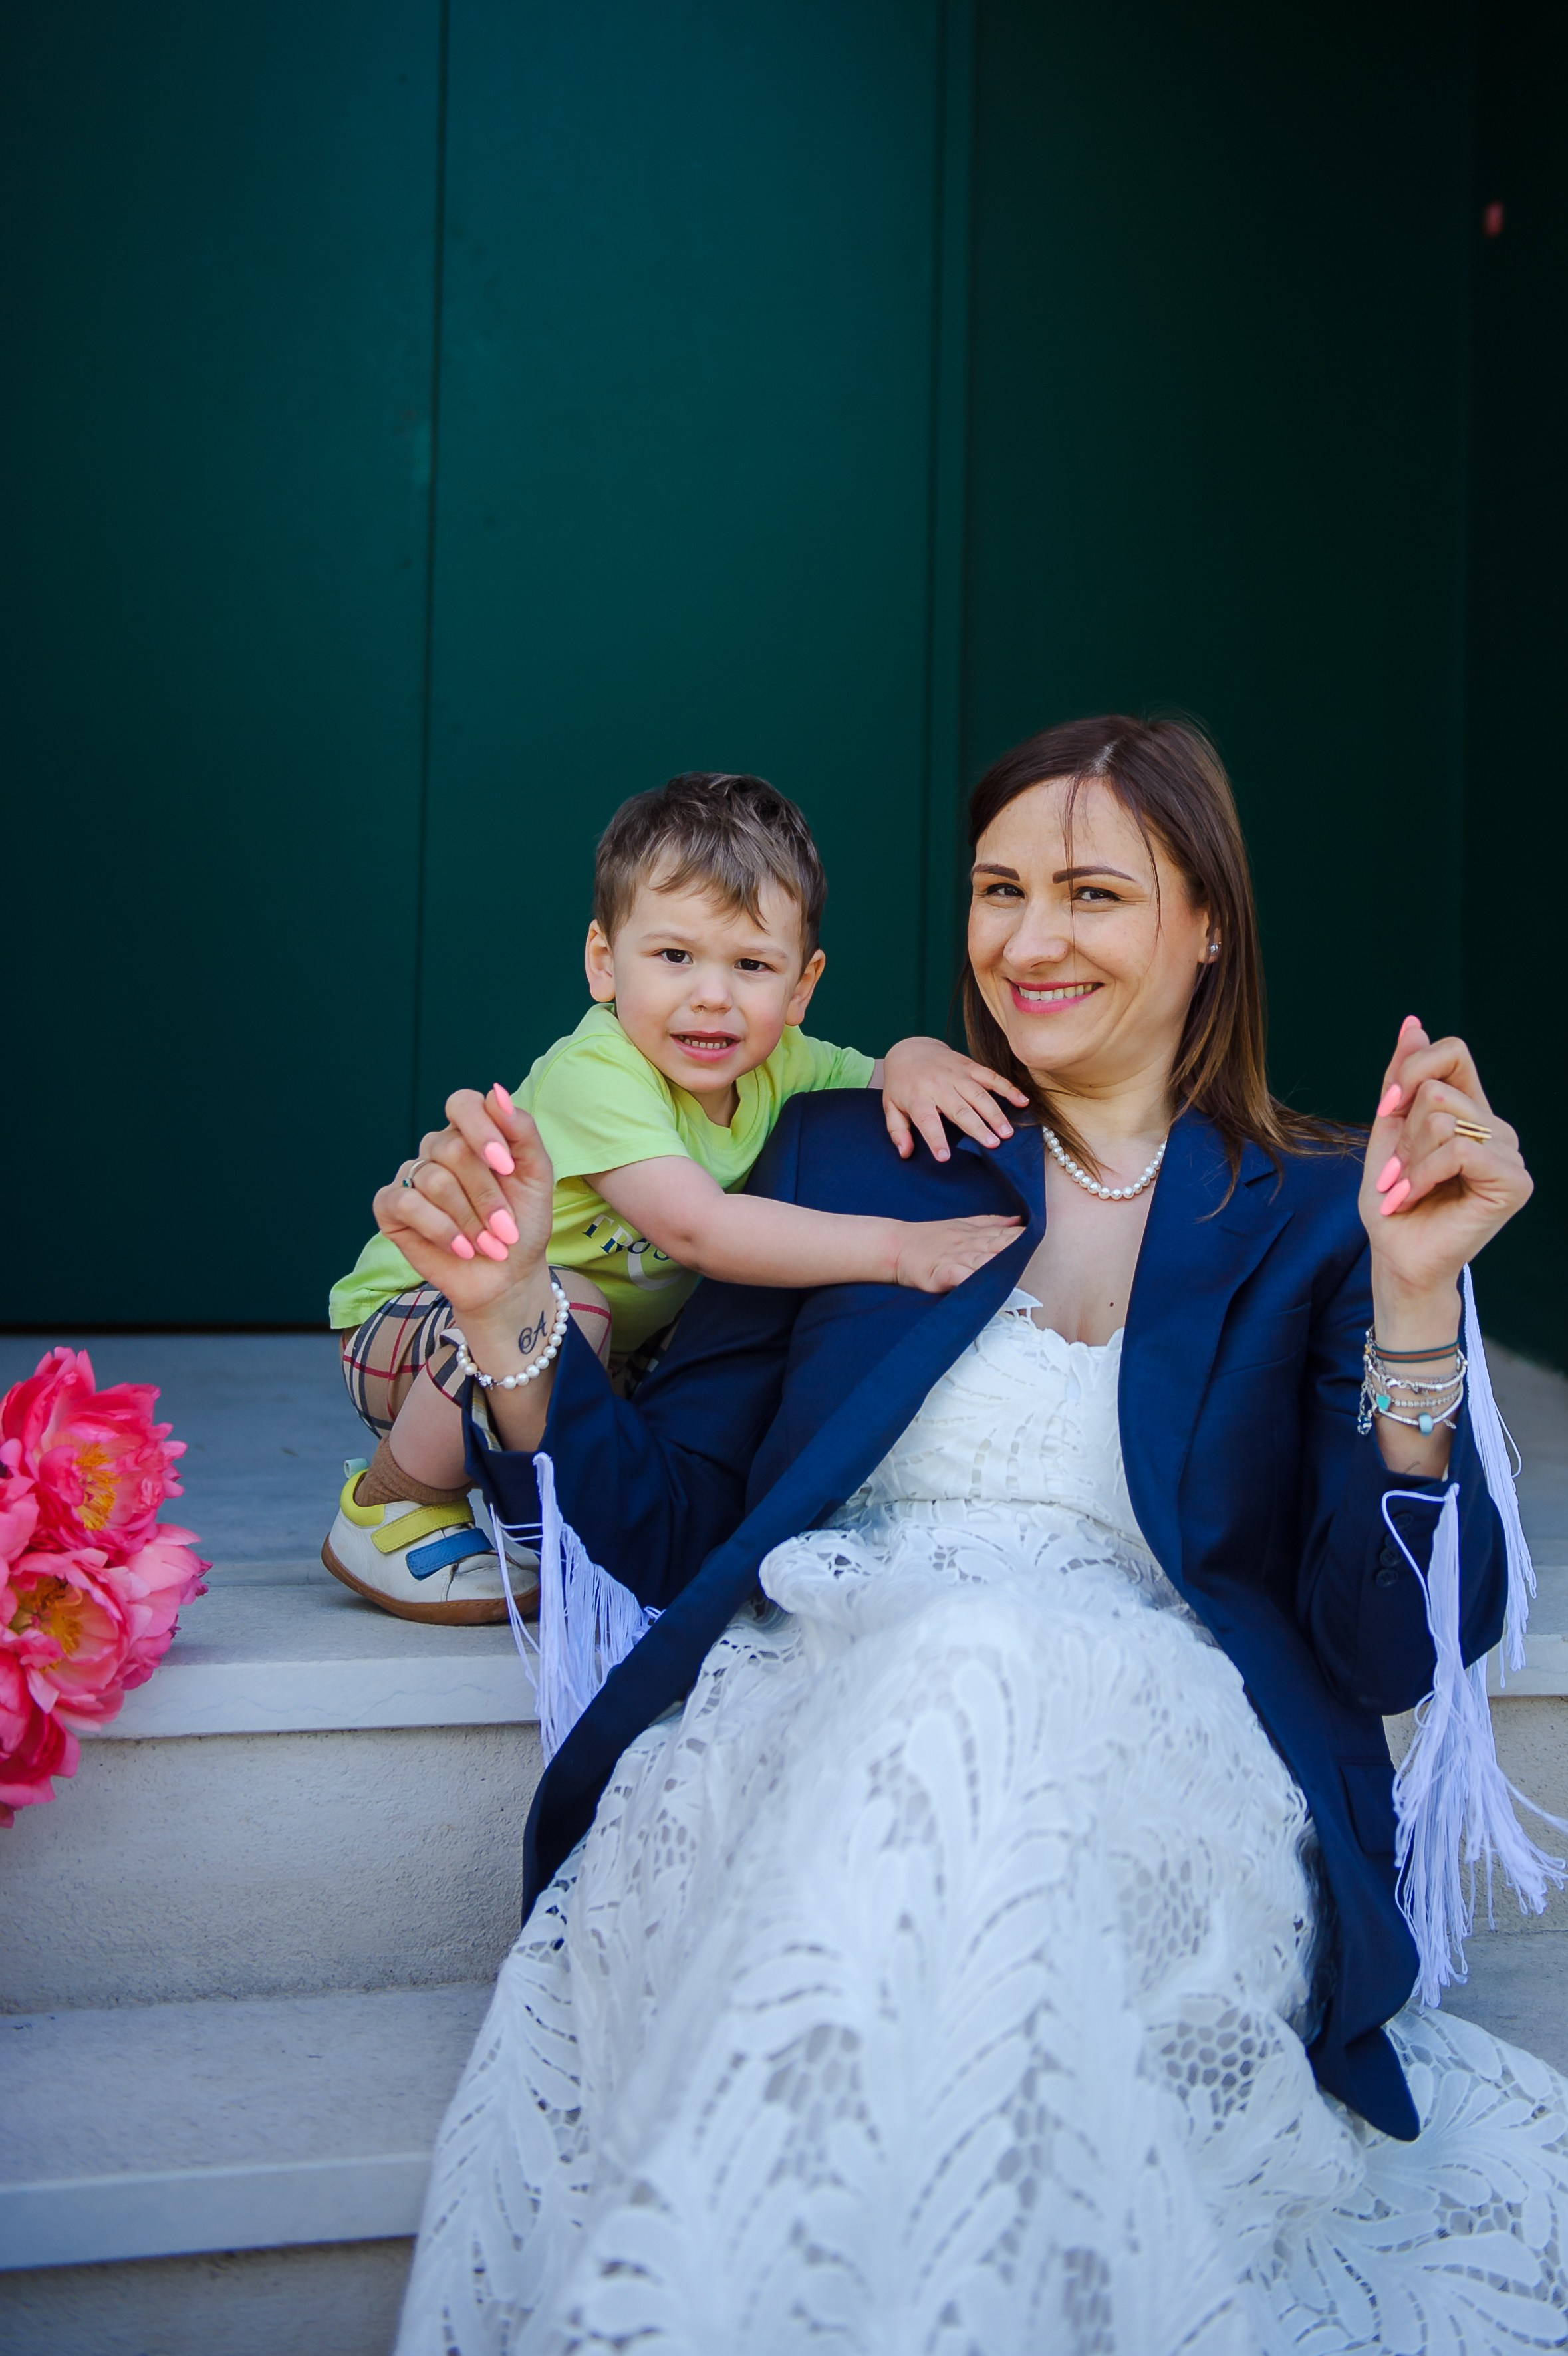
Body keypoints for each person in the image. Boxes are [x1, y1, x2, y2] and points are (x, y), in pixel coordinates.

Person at [388, 716, 1565, 2353]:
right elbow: (671, 1527)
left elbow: (1388, 1646)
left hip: (1155, 1768)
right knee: (956, 1667)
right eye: (998, 888)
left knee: (990, 1666)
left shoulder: (1319, 1207)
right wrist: (514, 1313)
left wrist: (1416, 1306)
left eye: (1092, 892)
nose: (1027, 939)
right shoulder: (841, 1151)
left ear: (1205, 922)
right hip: (811, 1722)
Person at [323, 771, 1024, 1623]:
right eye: (674, 957)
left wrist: (914, 1055)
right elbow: (698, 1230)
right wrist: (900, 1250)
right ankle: (393, 1499)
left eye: (752, 965)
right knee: (573, 1304)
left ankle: (558, 1511)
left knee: (677, 1351)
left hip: (588, 1347)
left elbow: (877, 1078)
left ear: (801, 987)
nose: (713, 996)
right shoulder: (598, 1072)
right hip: (419, 1320)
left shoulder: (784, 1064)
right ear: (603, 961)